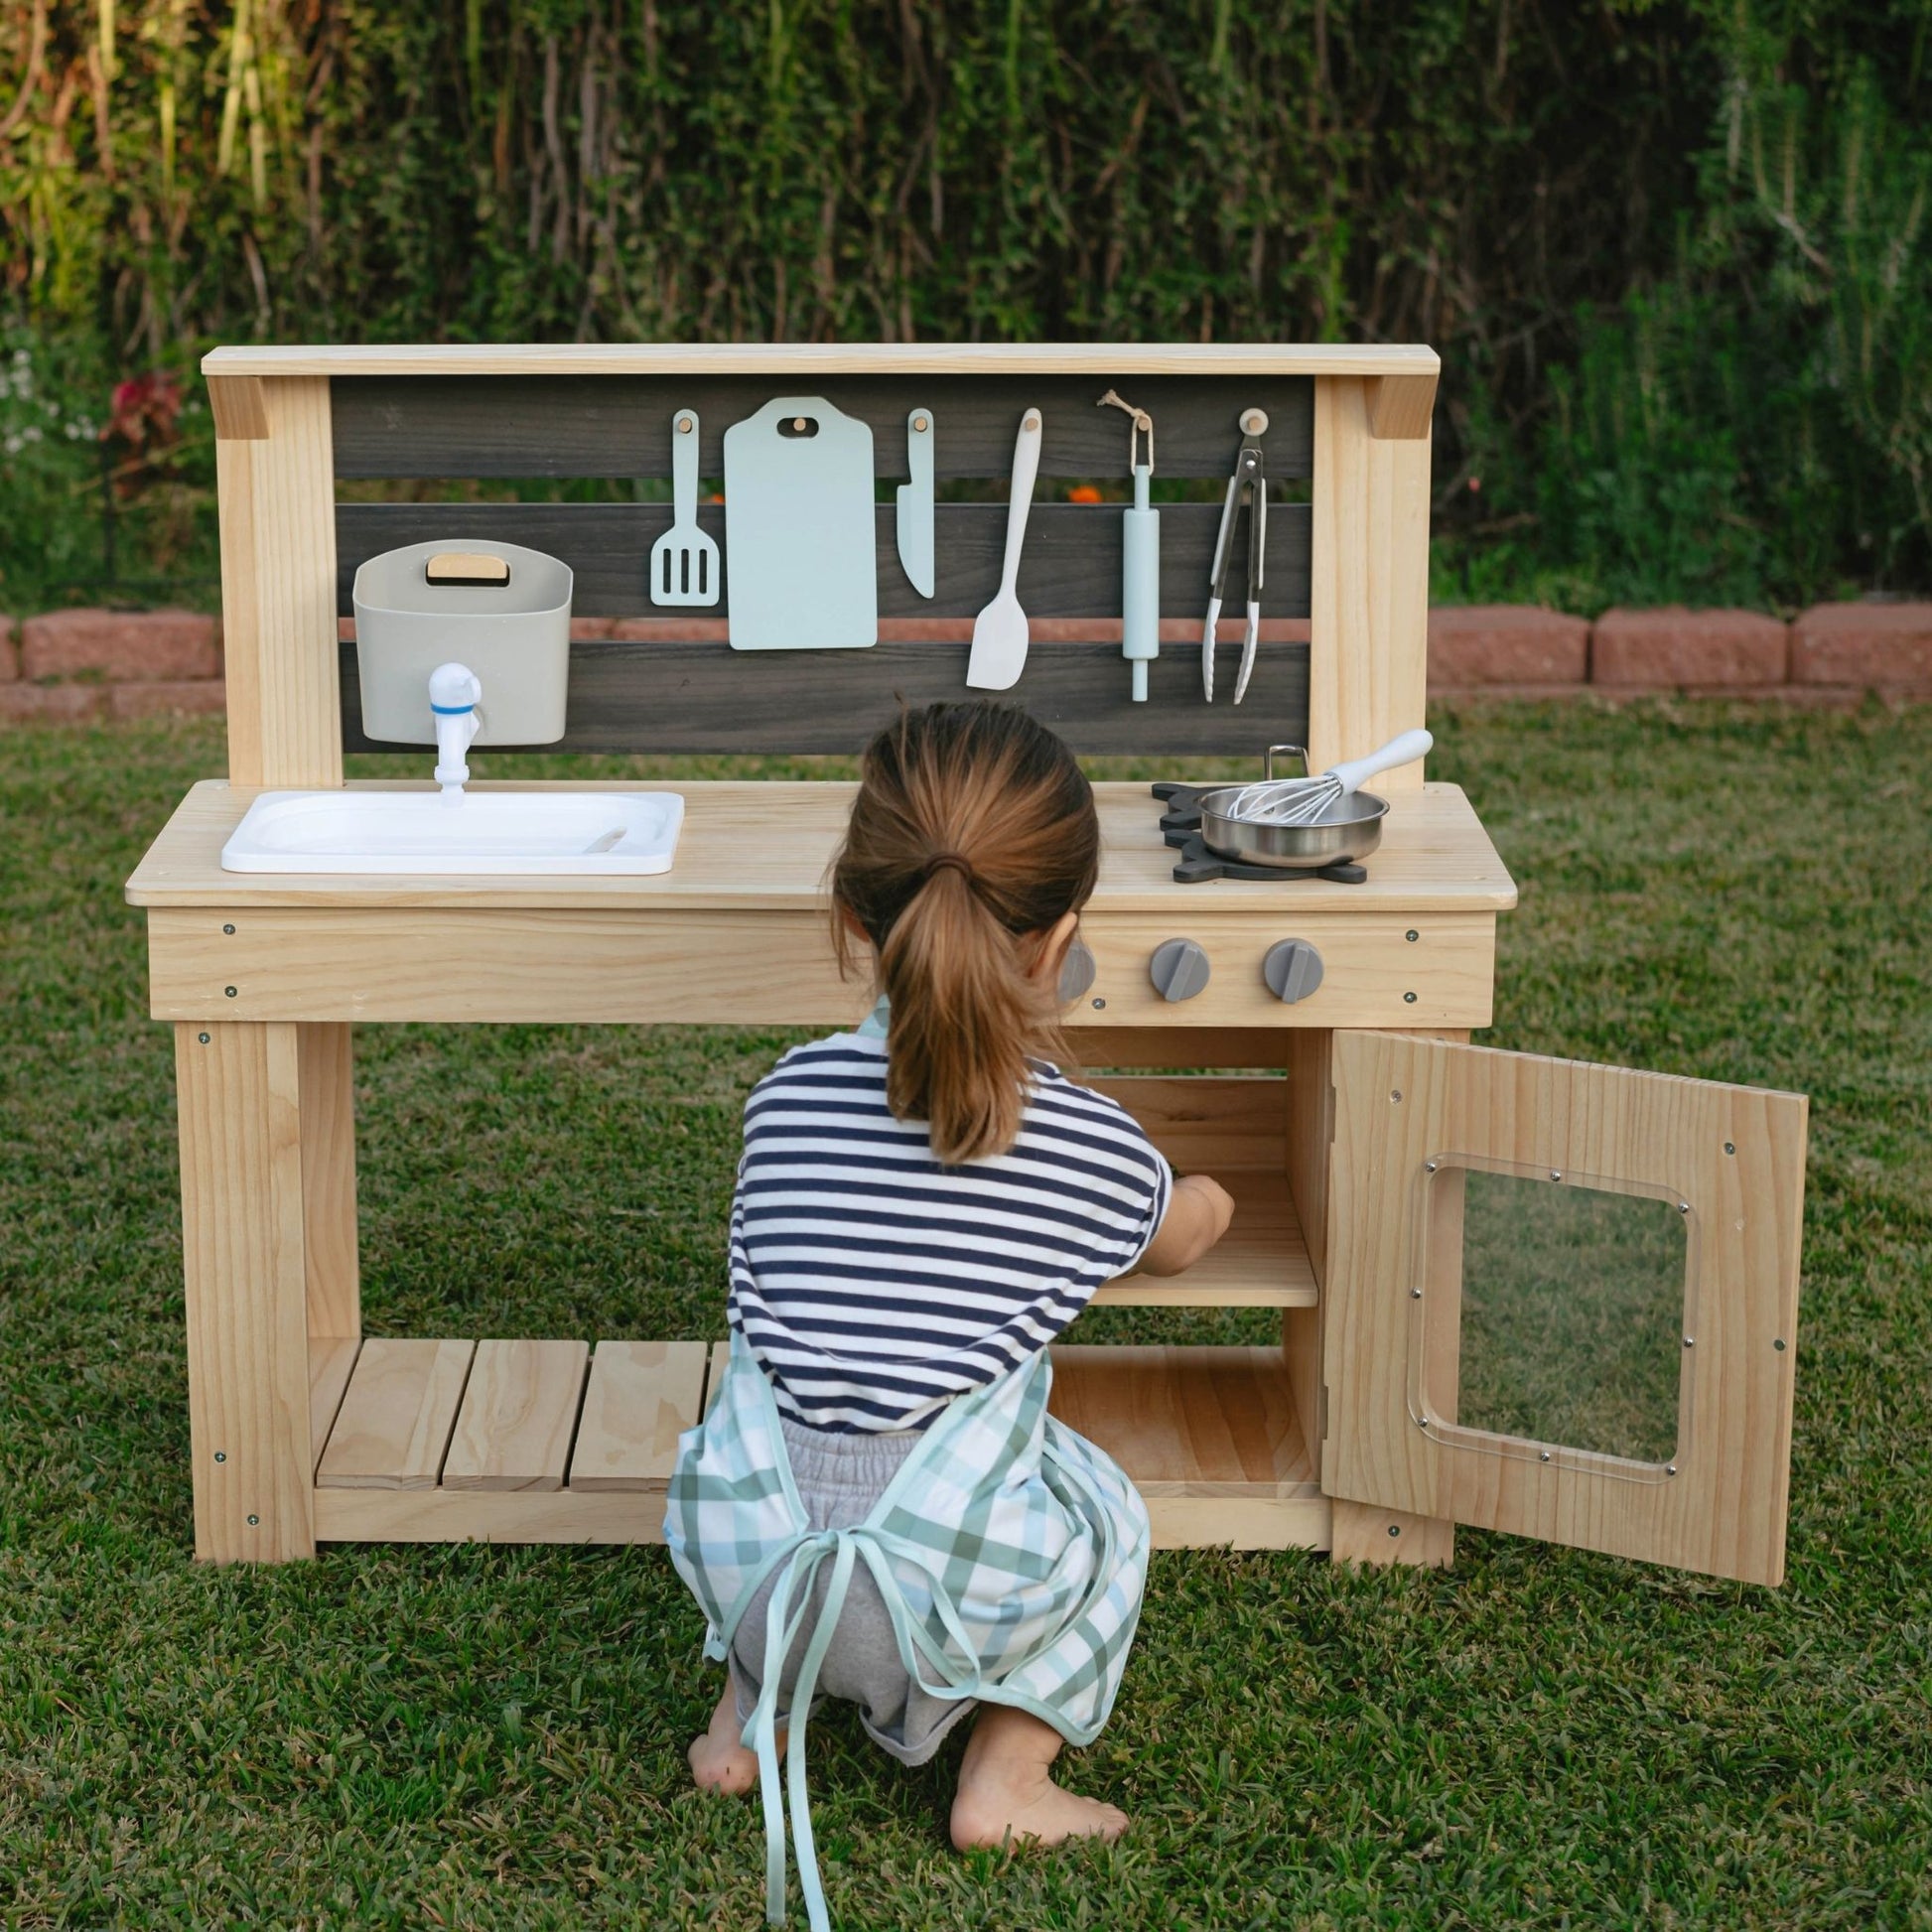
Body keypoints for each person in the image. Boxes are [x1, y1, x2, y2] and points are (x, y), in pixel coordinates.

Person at [666, 701, 1235, 1926]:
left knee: (771, 1429)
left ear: (850, 916)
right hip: (943, 1599)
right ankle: (1006, 1778)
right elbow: (1178, 1241)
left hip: (752, 1568)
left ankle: (743, 1719)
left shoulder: (782, 1096)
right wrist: (1207, 1193)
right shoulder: (1088, 1147)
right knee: (1104, 1507)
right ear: (1061, 938)